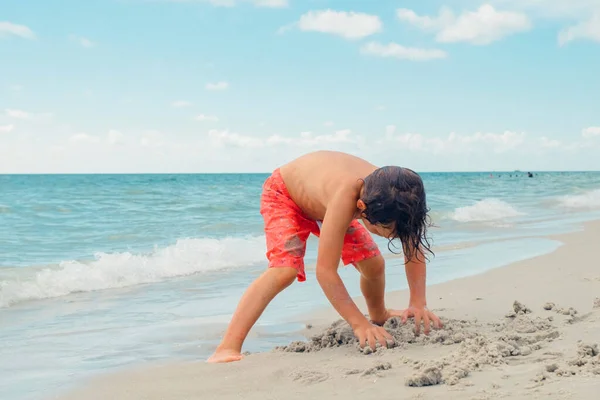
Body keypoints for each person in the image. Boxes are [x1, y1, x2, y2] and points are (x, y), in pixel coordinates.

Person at [207, 151, 442, 363]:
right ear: (362, 209)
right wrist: (358, 324)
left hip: (322, 201)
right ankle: (227, 347)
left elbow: (412, 245)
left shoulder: (395, 194)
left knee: (373, 264)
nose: (394, 237)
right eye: (386, 231)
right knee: (284, 271)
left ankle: (378, 314)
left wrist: (418, 302)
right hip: (285, 195)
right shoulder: (347, 197)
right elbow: (326, 272)